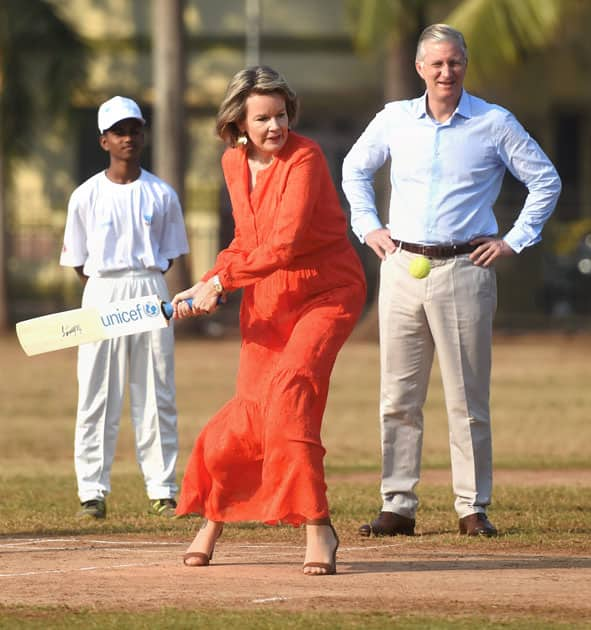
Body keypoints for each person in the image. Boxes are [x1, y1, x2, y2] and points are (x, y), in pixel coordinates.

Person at [342, 24, 561, 538]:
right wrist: (368, 226)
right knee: (397, 396)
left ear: (465, 64)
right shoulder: (395, 119)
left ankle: (471, 507)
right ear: (420, 68)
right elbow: (354, 168)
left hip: (467, 268)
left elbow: (545, 179)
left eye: (455, 62)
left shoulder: (493, 122)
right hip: (401, 267)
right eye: (436, 63)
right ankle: (397, 505)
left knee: (466, 398)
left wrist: (514, 239)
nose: (446, 72)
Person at [171, 66, 366, 575]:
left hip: (326, 292)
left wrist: (222, 283)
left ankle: (318, 526)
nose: (275, 126)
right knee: (247, 414)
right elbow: (246, 240)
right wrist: (209, 278)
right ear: (238, 121)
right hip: (268, 295)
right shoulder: (233, 165)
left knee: (291, 392)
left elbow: (284, 244)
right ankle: (213, 518)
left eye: (281, 115)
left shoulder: (306, 157)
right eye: (263, 118)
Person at [60, 96, 190, 519]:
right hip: (101, 291)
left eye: (134, 129)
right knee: (97, 392)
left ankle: (163, 488)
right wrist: (109, 290)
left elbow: (169, 255)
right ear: (104, 141)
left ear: (143, 134)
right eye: (119, 132)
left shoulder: (162, 193)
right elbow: (79, 262)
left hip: (150, 290)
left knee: (155, 390)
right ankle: (92, 493)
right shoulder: (85, 196)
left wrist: (141, 286)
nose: (128, 138)